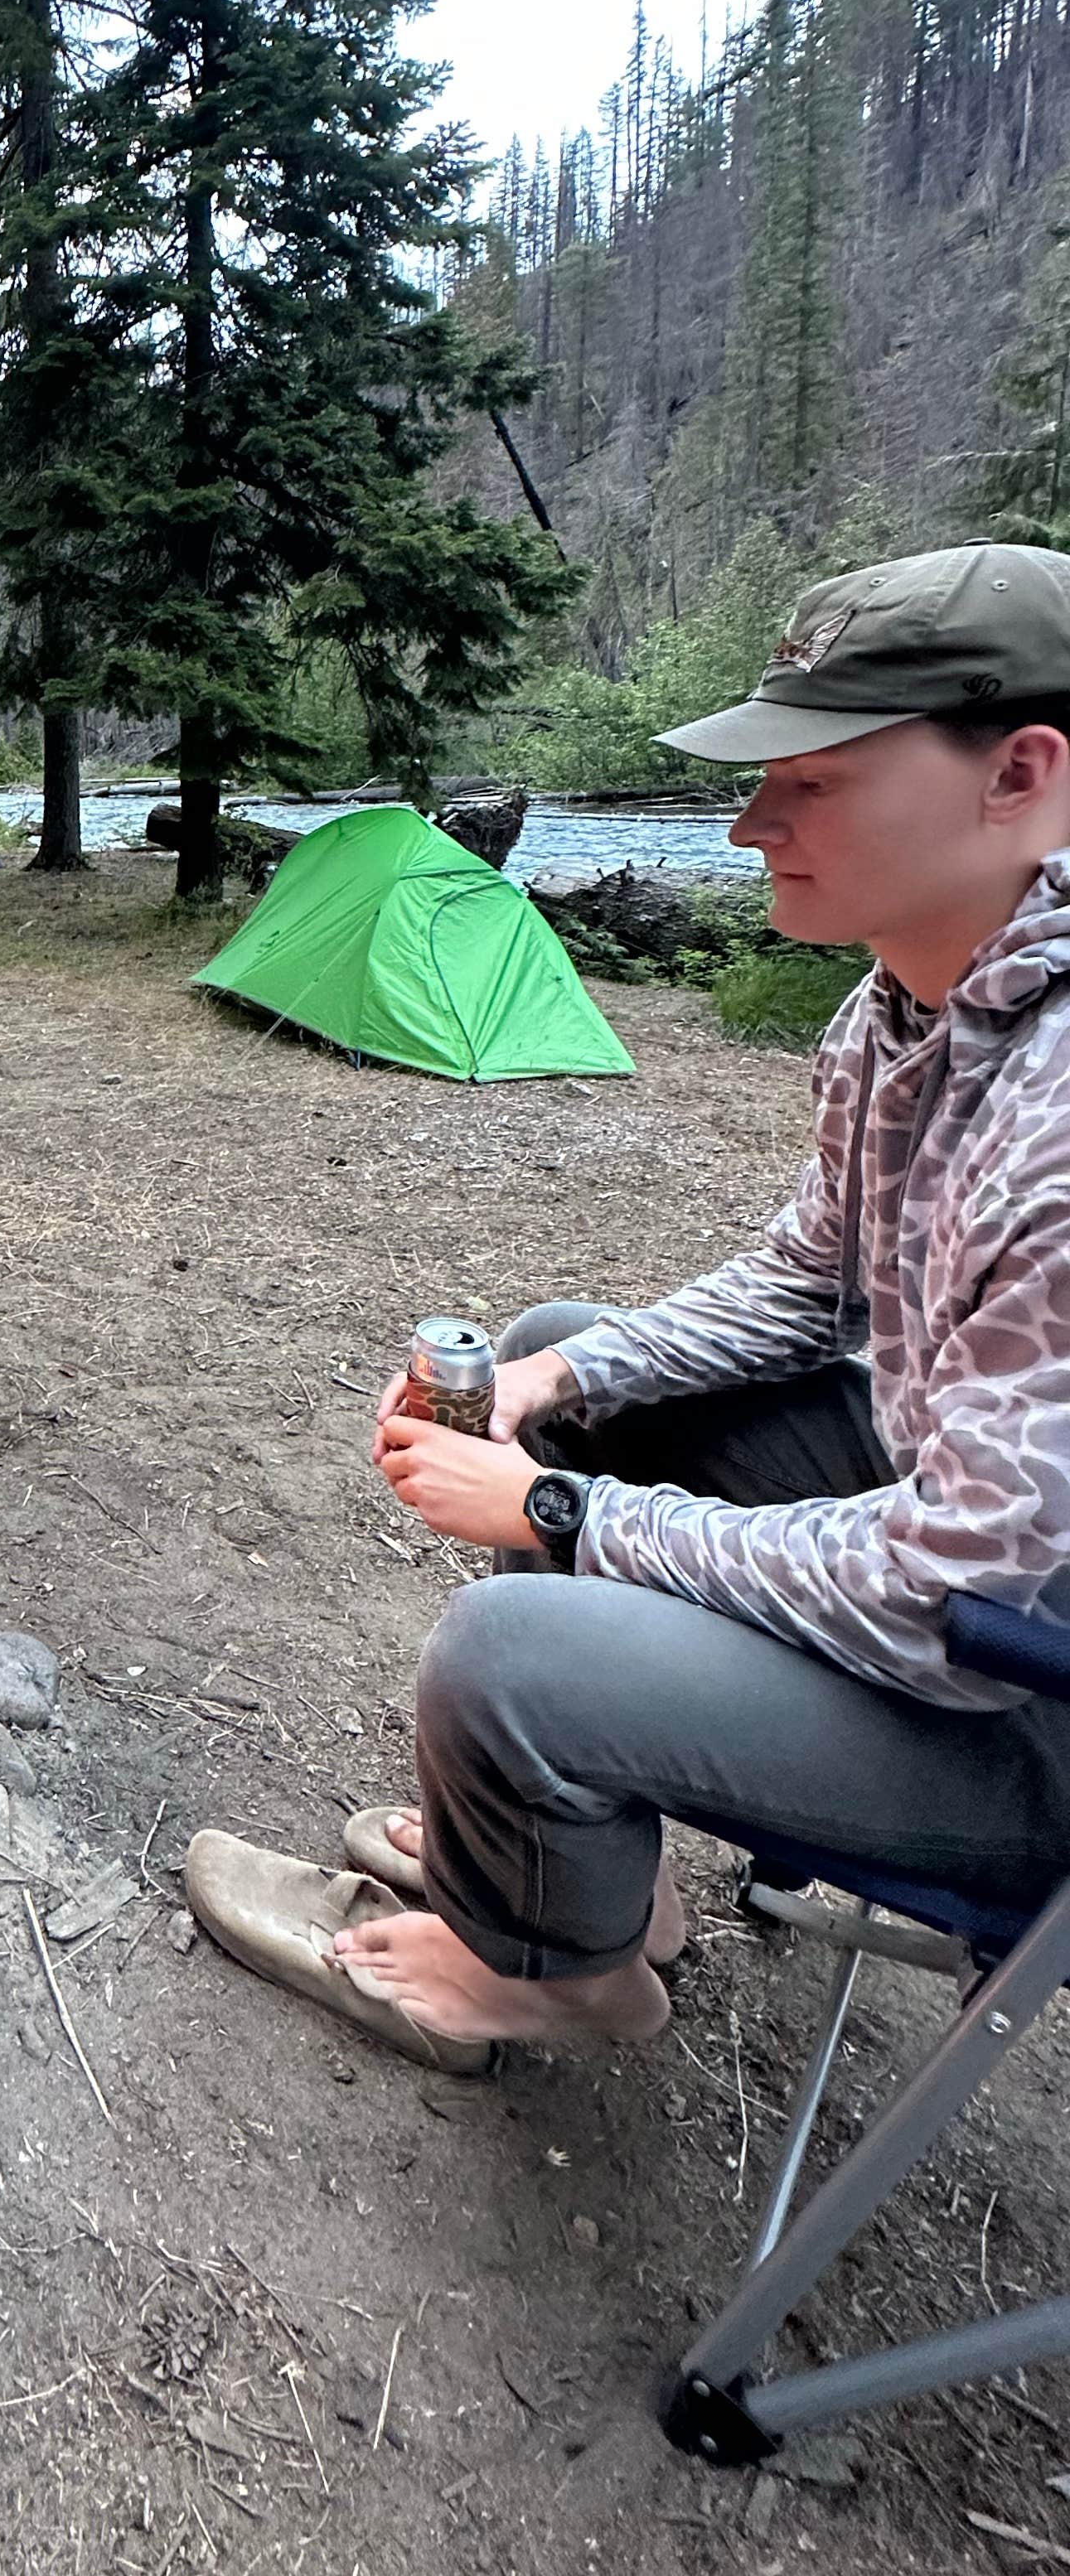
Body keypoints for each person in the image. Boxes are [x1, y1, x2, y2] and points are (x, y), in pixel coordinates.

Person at [192, 541, 1070, 2061]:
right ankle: (590, 1886)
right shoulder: (914, 1007)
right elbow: (807, 1284)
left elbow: (954, 1598)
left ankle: (551, 1976)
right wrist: (553, 1396)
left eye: (816, 779)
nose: (751, 825)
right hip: (991, 1557)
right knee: (563, 1350)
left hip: (1031, 1715)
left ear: (1023, 776)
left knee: (506, 1653)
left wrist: (561, 1514)